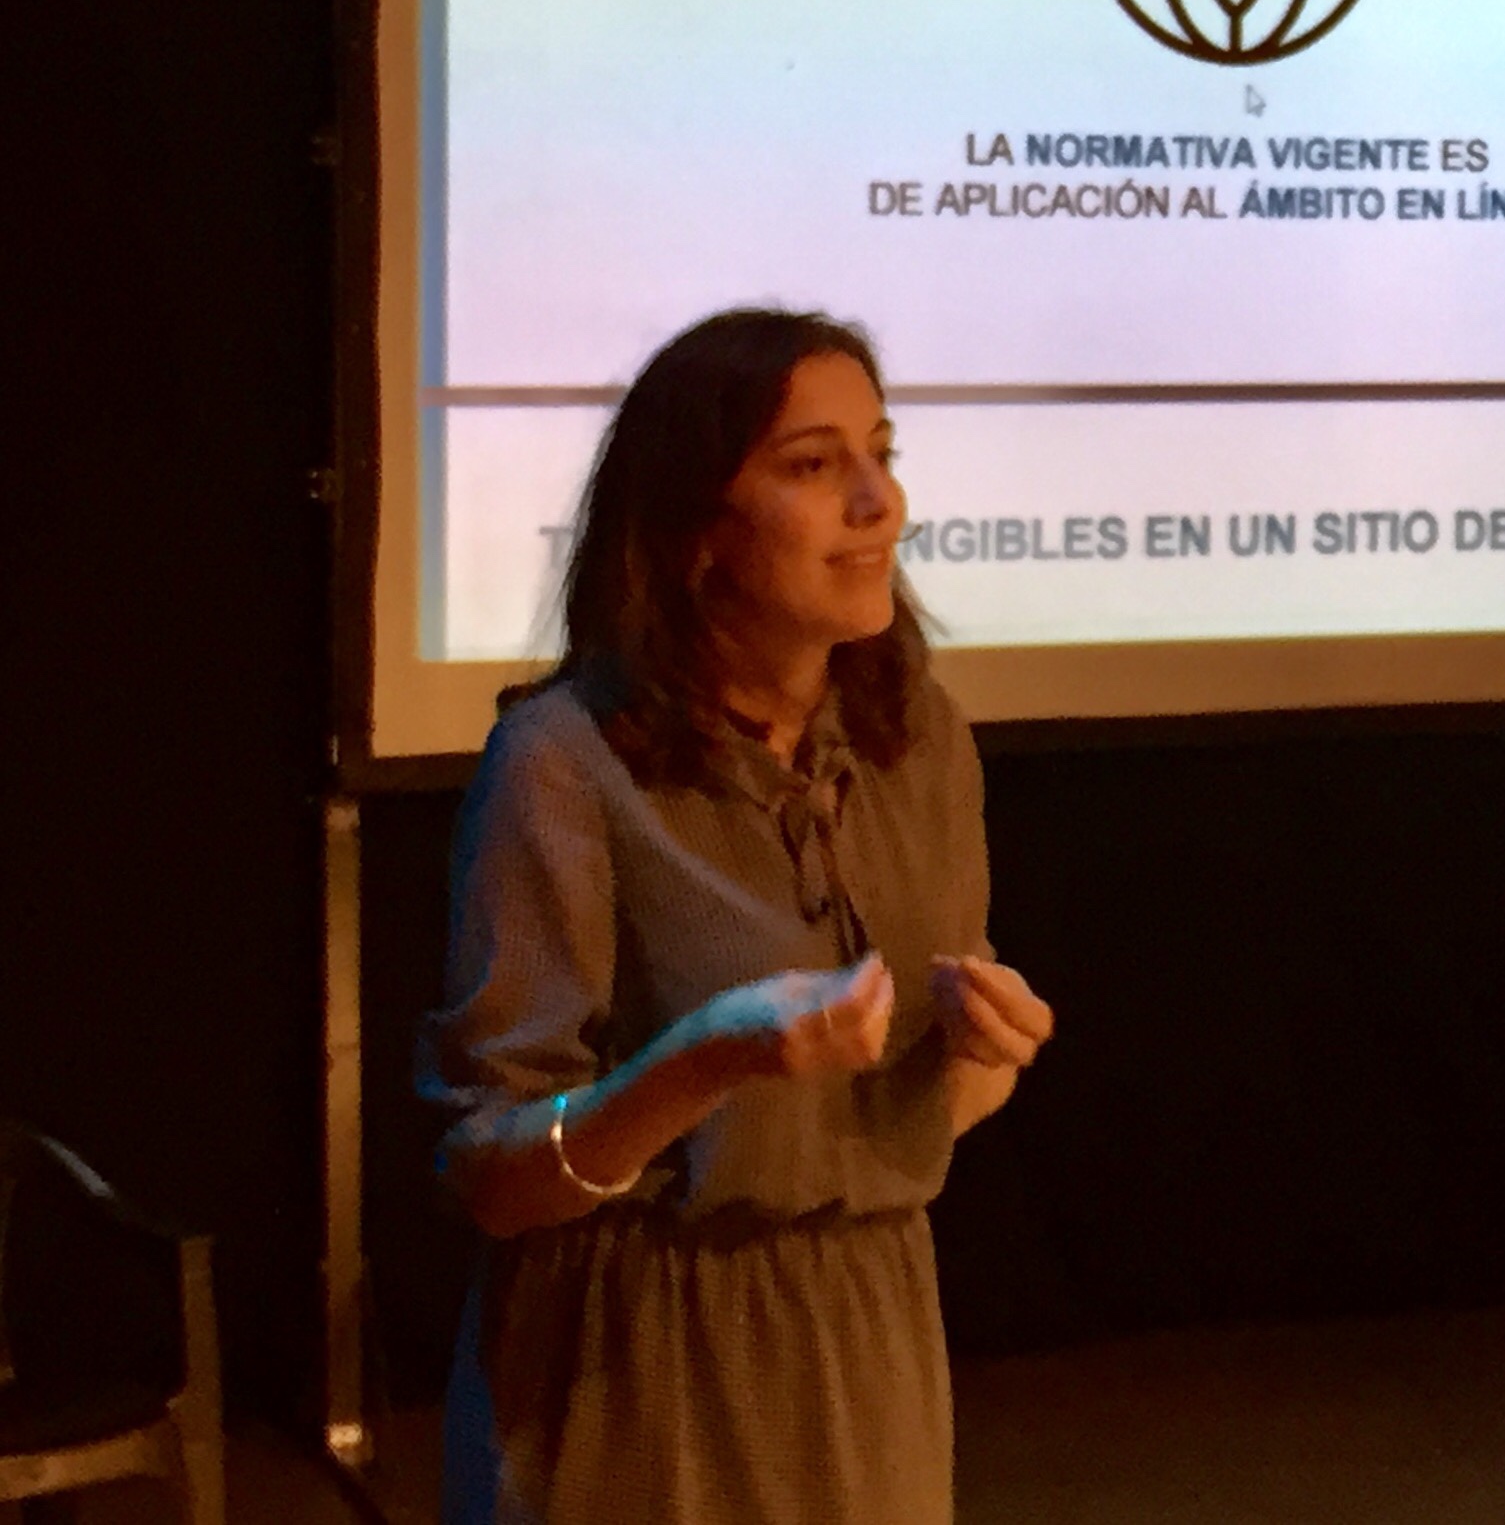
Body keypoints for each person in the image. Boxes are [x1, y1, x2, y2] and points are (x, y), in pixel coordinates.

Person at [420, 308, 1055, 1525]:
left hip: (866, 1343)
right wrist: (707, 1058)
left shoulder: (922, 742)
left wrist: (988, 1054)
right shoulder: (563, 762)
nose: (878, 502)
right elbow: (494, 1175)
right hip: (637, 1358)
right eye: (814, 464)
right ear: (694, 529)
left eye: (882, 453)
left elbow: (913, 1114)